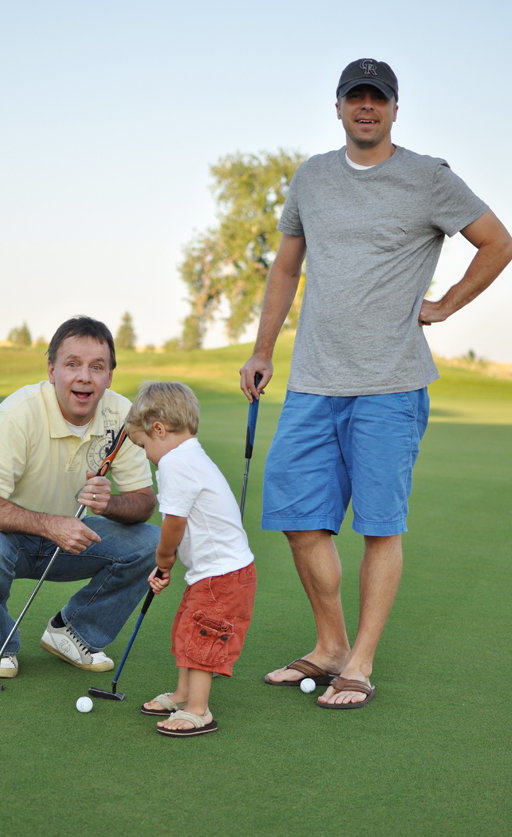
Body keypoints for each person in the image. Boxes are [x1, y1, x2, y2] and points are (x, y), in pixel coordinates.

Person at [240, 59, 512, 708]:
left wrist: (444, 305)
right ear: (337, 107)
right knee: (300, 520)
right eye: (355, 97)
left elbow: (497, 243)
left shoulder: (428, 178)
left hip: (390, 384)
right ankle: (330, 644)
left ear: (394, 109)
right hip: (312, 381)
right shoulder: (311, 177)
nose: (367, 107)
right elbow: (285, 269)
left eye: (378, 98)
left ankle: (359, 662)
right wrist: (262, 349)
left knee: (380, 528)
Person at [0, 316, 159, 678]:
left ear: (110, 376)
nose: (84, 377)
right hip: (5, 536)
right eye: (72, 364)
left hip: (70, 540)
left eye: (97, 366)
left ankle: (74, 632)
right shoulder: (18, 414)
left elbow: (144, 501)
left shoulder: (121, 416)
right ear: (52, 371)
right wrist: (51, 525)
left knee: (153, 543)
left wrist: (109, 504)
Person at [125, 382, 256, 736]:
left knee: (203, 636)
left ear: (159, 429)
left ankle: (199, 709)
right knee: (188, 627)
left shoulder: (175, 463)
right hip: (215, 573)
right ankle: (183, 694)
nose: (146, 455)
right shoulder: (190, 455)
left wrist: (163, 559)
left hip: (222, 576)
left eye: (143, 446)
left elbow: (174, 522)